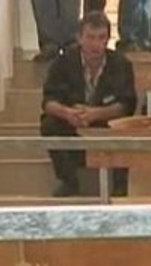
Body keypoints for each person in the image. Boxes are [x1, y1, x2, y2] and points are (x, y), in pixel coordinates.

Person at [40, 11, 138, 196]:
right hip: (71, 120)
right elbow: (48, 102)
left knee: (125, 127)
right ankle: (68, 181)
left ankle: (119, 186)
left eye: (101, 38)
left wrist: (95, 113)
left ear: (108, 39)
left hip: (105, 121)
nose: (95, 44)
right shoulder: (63, 62)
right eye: (90, 37)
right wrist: (67, 113)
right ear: (79, 38)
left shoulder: (121, 64)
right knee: (49, 124)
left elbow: (126, 105)